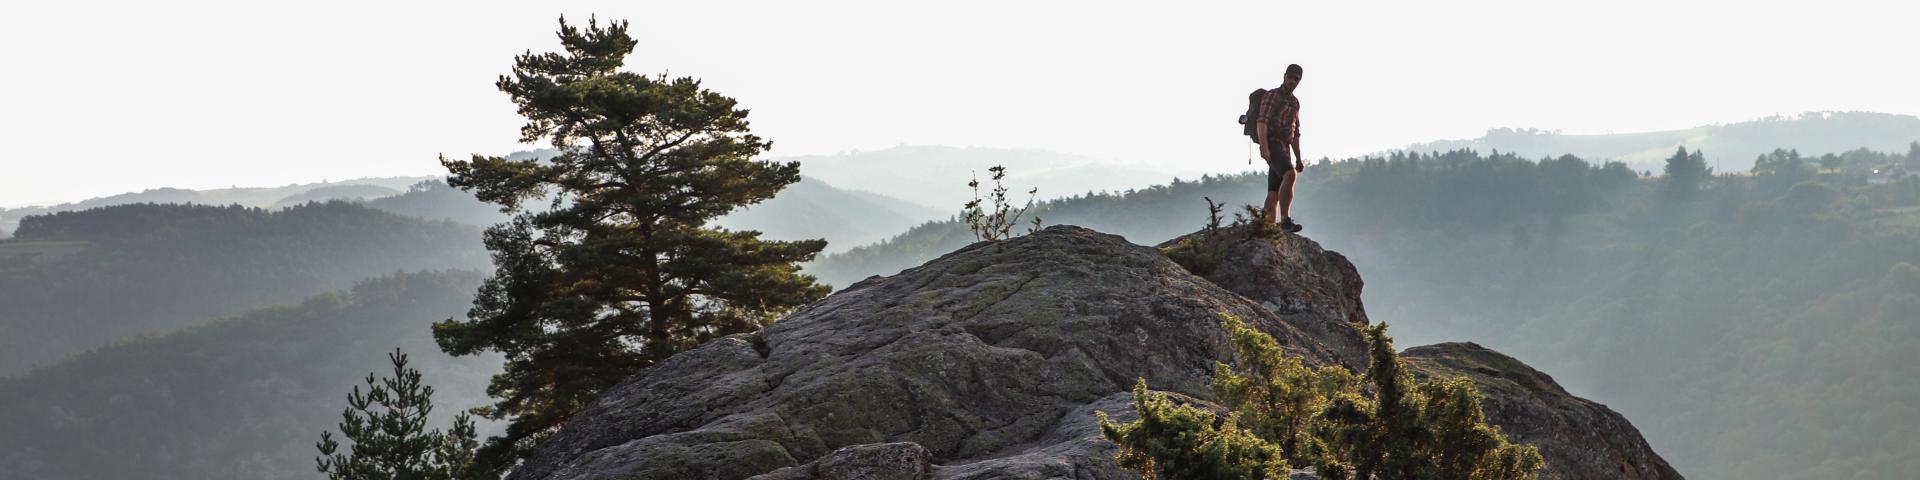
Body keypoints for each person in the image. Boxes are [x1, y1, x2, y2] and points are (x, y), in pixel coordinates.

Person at [1256, 64, 1305, 231]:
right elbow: (1262, 121)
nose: (1292, 81)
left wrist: (1298, 158)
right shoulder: (1273, 96)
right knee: (1289, 175)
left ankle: (1266, 228)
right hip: (1272, 142)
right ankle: (1285, 221)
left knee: (1274, 192)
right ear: (1284, 76)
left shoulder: (1294, 103)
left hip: (1284, 147)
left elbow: (1295, 132)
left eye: (1296, 79)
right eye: (1290, 77)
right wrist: (1264, 147)